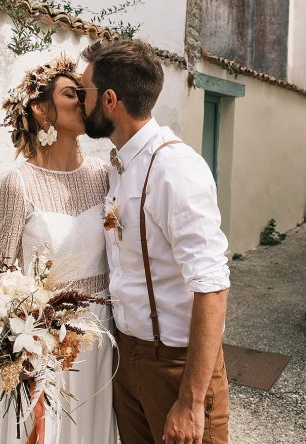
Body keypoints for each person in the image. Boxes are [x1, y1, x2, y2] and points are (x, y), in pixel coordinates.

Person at [79, 39, 231, 444]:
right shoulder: (118, 166)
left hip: (175, 364)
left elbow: (212, 286)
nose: (80, 103)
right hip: (125, 358)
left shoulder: (174, 169)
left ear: (109, 100)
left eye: (84, 94)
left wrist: (192, 400)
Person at [0, 55, 117, 444]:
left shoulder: (105, 174)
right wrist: (15, 349)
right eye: (72, 94)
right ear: (42, 110)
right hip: (43, 343)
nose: (84, 101)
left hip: (102, 337)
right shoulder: (17, 183)